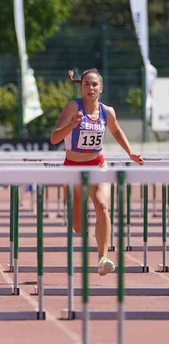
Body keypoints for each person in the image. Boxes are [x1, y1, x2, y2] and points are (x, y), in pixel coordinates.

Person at [51, 68, 144, 276]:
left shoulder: (107, 111)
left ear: (101, 88)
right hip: (74, 169)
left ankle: (103, 258)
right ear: (81, 87)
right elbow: (54, 138)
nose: (90, 88)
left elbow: (117, 131)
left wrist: (130, 152)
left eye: (94, 84)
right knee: (77, 226)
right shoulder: (72, 107)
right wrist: (71, 125)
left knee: (102, 206)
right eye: (86, 84)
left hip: (98, 165)